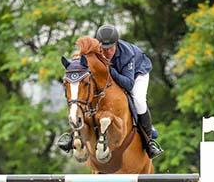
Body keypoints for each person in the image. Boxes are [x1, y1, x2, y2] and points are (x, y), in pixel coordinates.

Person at [57, 24, 164, 159]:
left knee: (138, 100)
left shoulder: (127, 54)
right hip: (115, 74)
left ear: (116, 44)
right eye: (104, 49)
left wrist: (109, 70)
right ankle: (73, 135)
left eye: (111, 49)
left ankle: (149, 140)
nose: (107, 52)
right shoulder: (96, 51)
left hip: (136, 74)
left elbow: (128, 84)